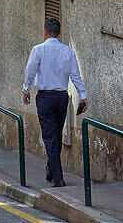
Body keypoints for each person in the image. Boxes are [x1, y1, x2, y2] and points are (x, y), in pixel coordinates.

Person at [22, 18, 87, 187]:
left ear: (45, 33)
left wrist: (26, 89)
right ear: (59, 34)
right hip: (61, 97)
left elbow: (30, 71)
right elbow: (76, 76)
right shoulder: (69, 51)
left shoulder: (38, 50)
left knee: (50, 136)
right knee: (56, 134)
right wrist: (83, 95)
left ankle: (58, 177)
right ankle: (51, 170)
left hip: (45, 97)